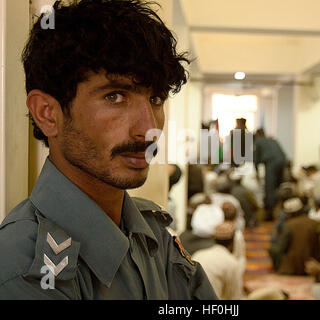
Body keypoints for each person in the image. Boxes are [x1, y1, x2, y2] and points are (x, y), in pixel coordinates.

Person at [0, 0, 217, 300]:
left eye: (155, 98)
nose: (148, 127)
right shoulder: (26, 269)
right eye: (115, 96)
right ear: (48, 113)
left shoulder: (152, 234)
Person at [192, 222, 244, 300]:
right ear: (233, 242)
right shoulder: (231, 262)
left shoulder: (198, 254)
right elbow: (235, 297)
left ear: (214, 239)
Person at [272, 197, 320, 275]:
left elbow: (279, 248)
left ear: (289, 214)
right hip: (311, 266)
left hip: (291, 269)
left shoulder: (288, 225)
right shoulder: (314, 223)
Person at [254, 129, 287, 221]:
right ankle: (283, 210)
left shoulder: (258, 141)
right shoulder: (273, 140)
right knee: (280, 187)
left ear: (257, 135)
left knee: (270, 188)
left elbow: (255, 160)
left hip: (271, 163)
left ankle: (269, 214)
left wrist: (256, 174)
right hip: (282, 162)